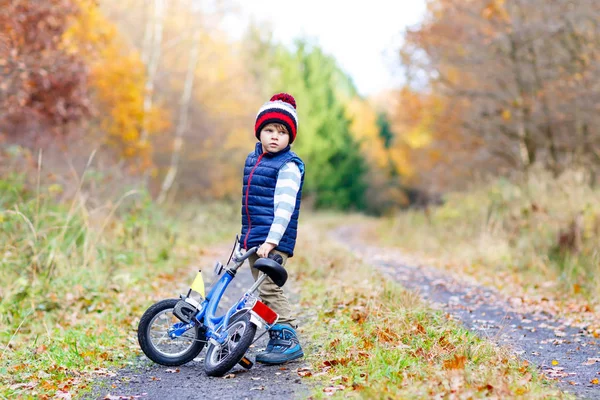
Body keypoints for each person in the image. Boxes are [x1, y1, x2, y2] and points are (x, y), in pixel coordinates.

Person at [240, 93, 305, 364]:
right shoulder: (254, 160)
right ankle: (275, 339)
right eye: (269, 130)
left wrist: (271, 242)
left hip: (273, 241)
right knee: (260, 290)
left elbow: (284, 210)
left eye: (281, 132)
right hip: (256, 238)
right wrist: (246, 238)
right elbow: (251, 205)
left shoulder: (288, 165)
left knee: (267, 287)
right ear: (259, 132)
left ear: (290, 138)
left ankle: (288, 337)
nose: (274, 136)